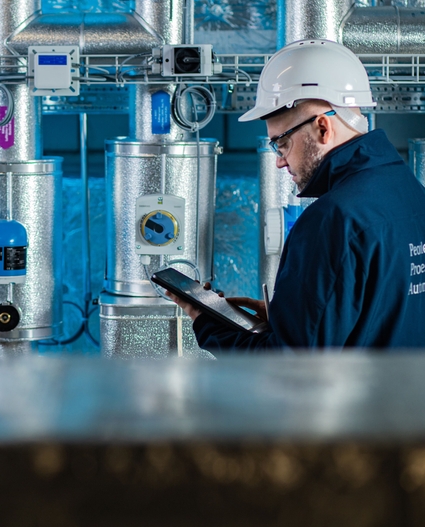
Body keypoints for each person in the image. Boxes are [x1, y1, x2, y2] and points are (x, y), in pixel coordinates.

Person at [169, 39, 425, 349]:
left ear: (322, 128)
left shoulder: (333, 219)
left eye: (281, 143)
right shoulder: (410, 192)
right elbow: (380, 317)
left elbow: (290, 368)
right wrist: (290, 318)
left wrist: (206, 321)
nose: (278, 160)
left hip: (354, 399)